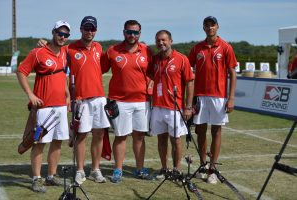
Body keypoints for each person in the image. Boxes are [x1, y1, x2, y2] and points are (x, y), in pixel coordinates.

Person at [16, 20, 71, 193]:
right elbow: (21, 71)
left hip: (61, 106)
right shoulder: (38, 52)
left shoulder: (64, 52)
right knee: (39, 142)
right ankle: (36, 178)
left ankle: (51, 176)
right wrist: (30, 95)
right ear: (53, 32)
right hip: (43, 107)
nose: (62, 37)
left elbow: (62, 74)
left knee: (57, 141)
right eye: (59, 33)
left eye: (65, 35)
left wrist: (68, 94)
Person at [101, 20, 153, 183]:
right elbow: (97, 70)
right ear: (124, 32)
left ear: (140, 33)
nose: (132, 35)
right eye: (129, 32)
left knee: (139, 137)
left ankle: (139, 169)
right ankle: (118, 170)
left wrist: (150, 84)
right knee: (121, 136)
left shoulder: (147, 50)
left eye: (135, 32)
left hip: (142, 101)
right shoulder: (112, 50)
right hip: (120, 101)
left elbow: (153, 72)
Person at [188, 16, 237, 184]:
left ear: (217, 26)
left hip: (219, 96)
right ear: (203, 28)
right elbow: (188, 71)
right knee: (200, 131)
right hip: (200, 96)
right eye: (207, 25)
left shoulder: (226, 47)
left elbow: (232, 74)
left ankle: (213, 169)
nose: (210, 28)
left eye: (212, 25)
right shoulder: (197, 48)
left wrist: (230, 98)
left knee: (216, 131)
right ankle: (202, 165)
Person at [67, 16, 110, 185]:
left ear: (96, 30)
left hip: (99, 98)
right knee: (81, 135)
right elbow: (56, 53)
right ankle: (79, 170)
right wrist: (43, 43)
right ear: (81, 29)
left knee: (99, 134)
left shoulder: (99, 47)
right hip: (81, 100)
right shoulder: (70, 48)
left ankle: (95, 170)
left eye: (92, 29)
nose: (89, 31)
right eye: (86, 28)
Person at [148, 30, 194, 178]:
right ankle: (164, 168)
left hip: (175, 107)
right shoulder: (154, 59)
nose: (161, 43)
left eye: (164, 40)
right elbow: (149, 77)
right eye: (158, 41)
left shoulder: (182, 59)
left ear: (171, 41)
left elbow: (189, 83)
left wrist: (188, 106)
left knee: (176, 140)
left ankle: (177, 169)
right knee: (161, 139)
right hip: (158, 106)